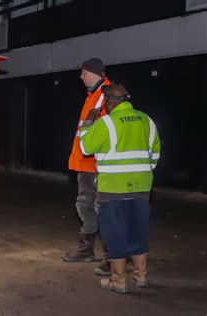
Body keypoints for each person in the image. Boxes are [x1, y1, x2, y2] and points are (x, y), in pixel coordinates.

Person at [79, 83, 160, 293]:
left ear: (110, 102)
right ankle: (141, 277)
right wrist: (141, 171)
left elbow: (86, 147)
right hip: (142, 187)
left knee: (115, 233)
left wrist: (87, 123)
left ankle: (118, 281)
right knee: (138, 231)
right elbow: (155, 152)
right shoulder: (146, 120)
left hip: (112, 189)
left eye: (106, 102)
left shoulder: (106, 122)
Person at [63, 58, 111, 275]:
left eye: (83, 73)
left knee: (103, 208)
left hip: (97, 164)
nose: (81, 77)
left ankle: (112, 257)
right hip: (87, 163)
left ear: (93, 72)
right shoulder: (94, 95)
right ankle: (87, 250)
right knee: (86, 205)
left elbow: (105, 130)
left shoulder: (107, 94)